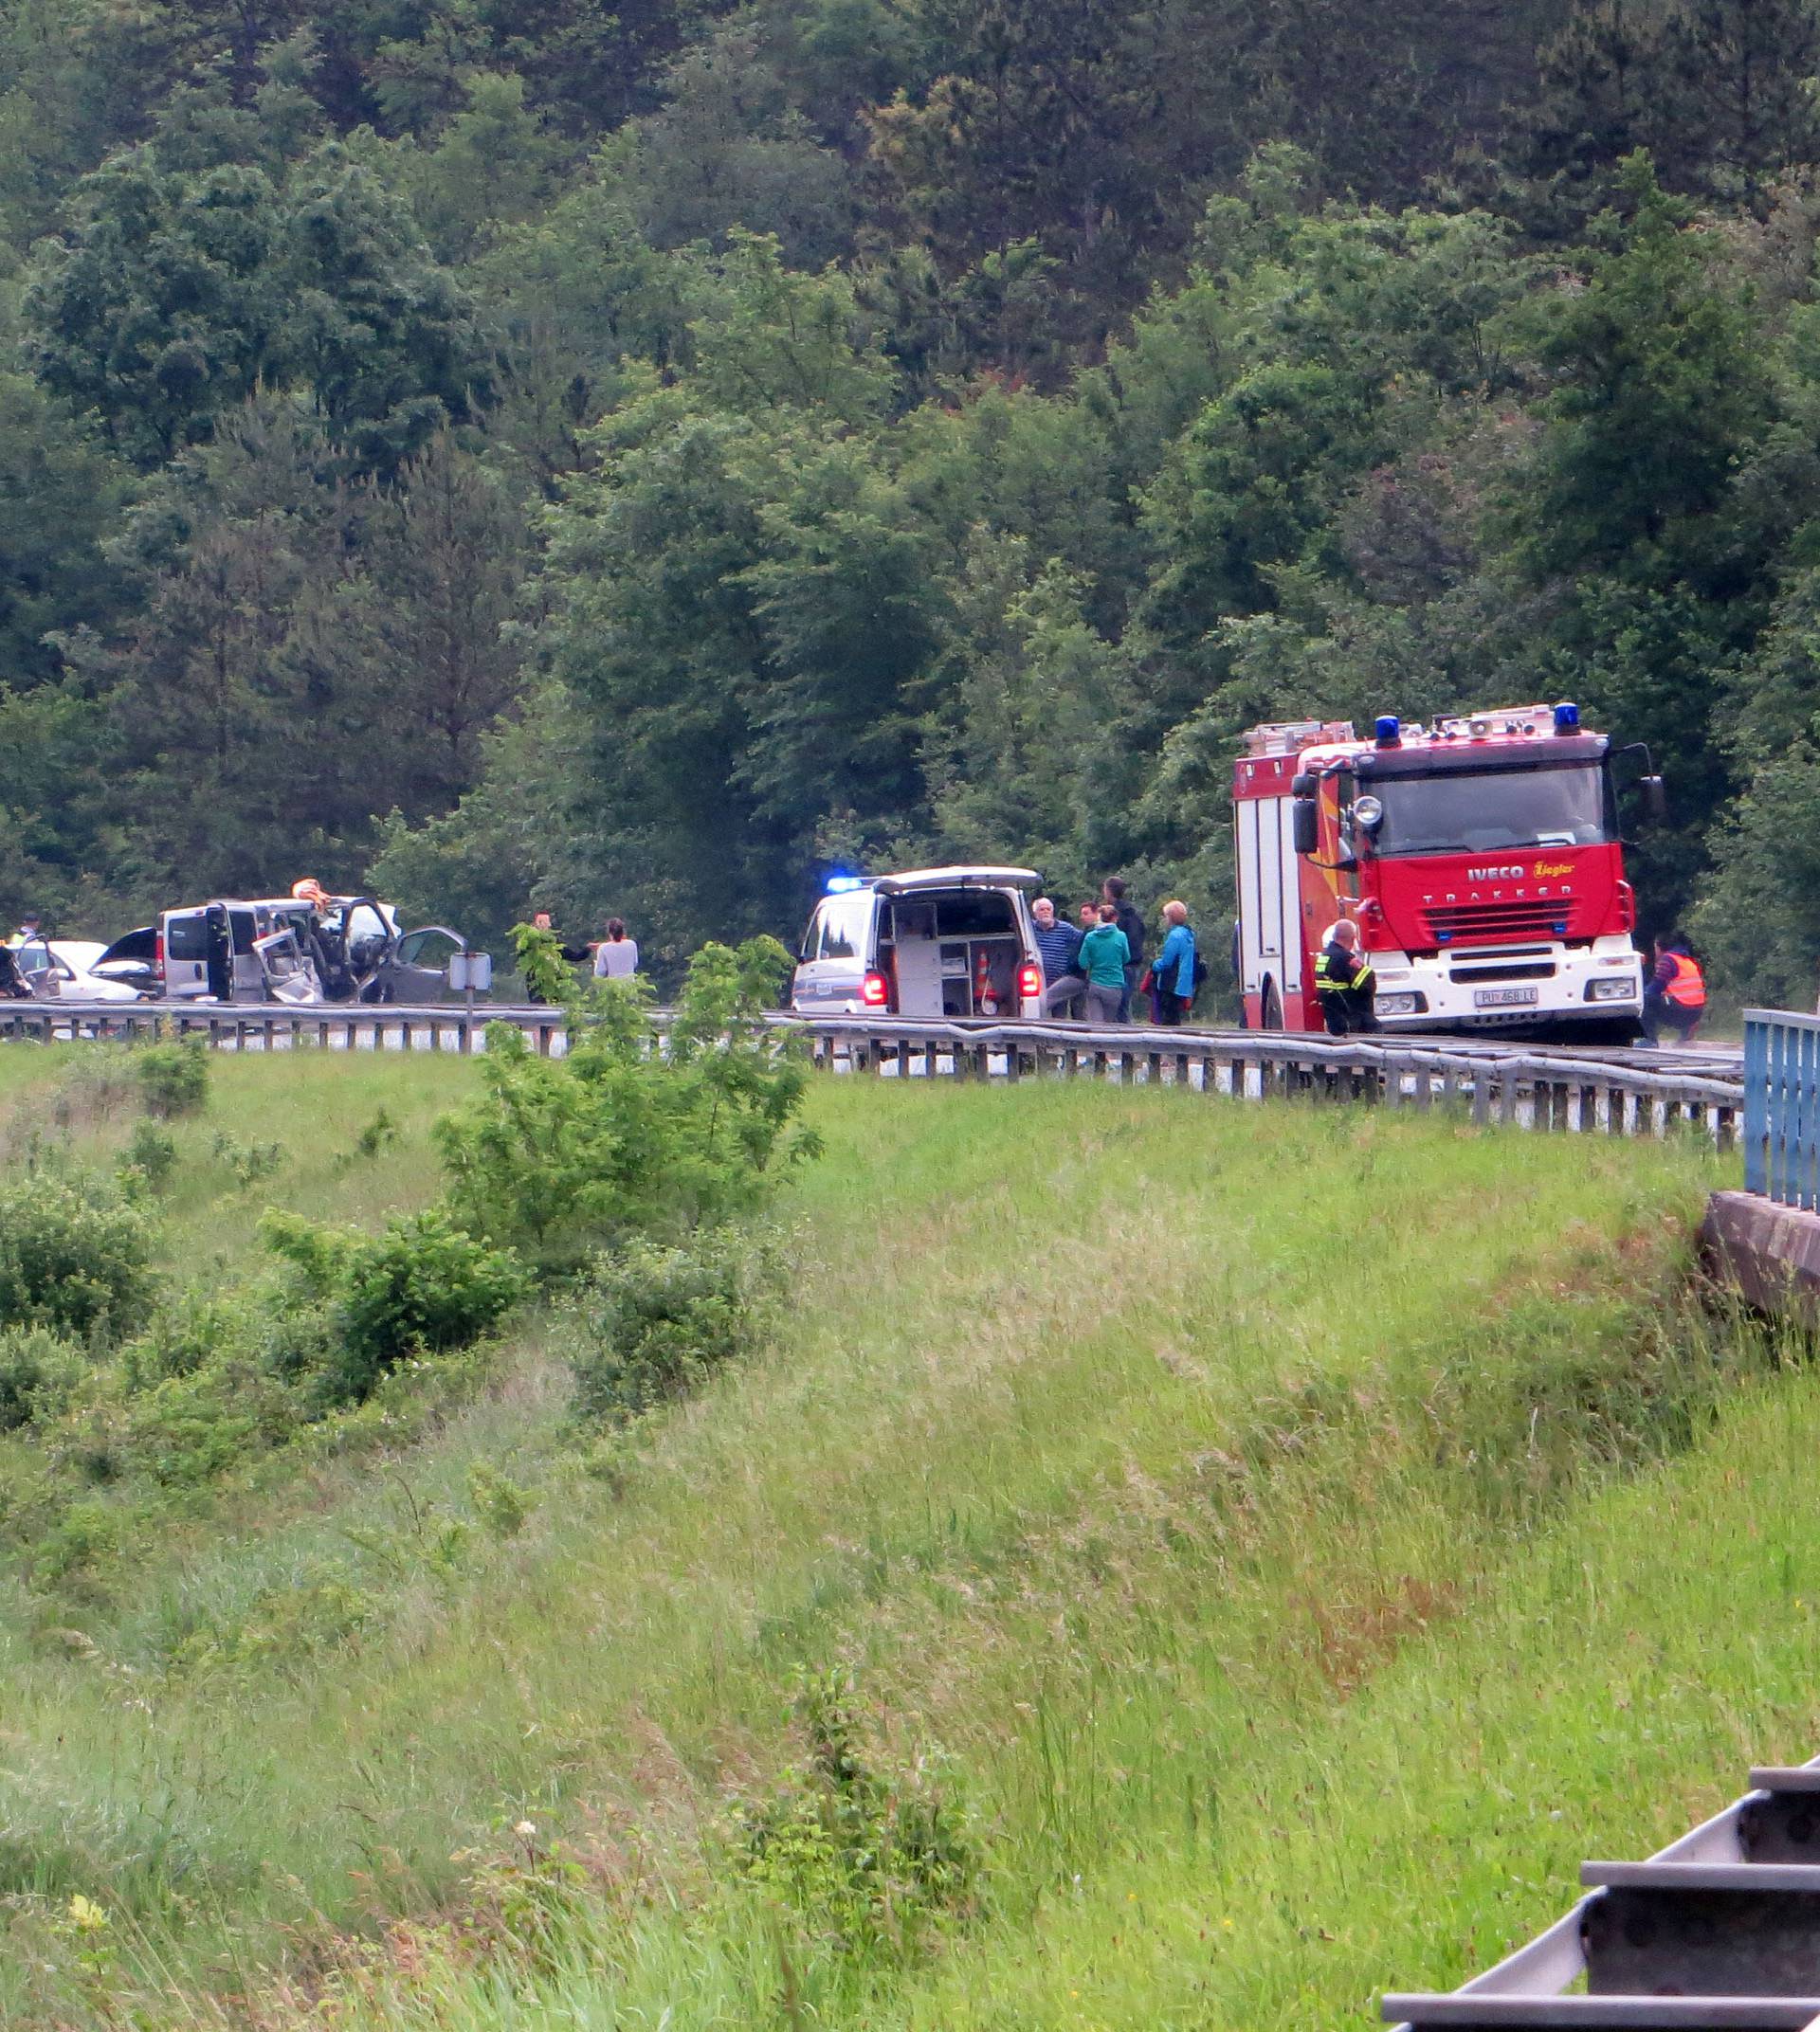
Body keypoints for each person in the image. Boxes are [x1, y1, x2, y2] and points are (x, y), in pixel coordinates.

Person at [1313, 918, 1378, 1036]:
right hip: (1352, 1022)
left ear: (1334, 936)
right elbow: (1367, 981)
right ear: (1353, 938)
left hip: (1334, 1020)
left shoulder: (1324, 956)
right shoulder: (1345, 958)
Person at [1642, 934, 1704, 1044]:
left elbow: (1655, 988)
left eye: (1655, 948)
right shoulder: (1686, 960)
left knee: (1644, 999)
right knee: (1664, 997)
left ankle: (1650, 1040)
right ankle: (1686, 1032)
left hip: (1681, 1011)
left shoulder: (1668, 960)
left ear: (1659, 948)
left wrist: (1641, 968)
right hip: (1696, 1012)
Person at [1077, 901, 1131, 1025]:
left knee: (1095, 1023)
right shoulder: (1121, 936)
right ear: (1115, 918)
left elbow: (1082, 963)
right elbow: (1126, 958)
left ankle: (1094, 1043)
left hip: (1095, 983)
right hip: (1115, 984)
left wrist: (1093, 963)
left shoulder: (1090, 937)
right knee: (1108, 1023)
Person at [1030, 897, 1084, 1016]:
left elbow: (1084, 941)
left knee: (1059, 1017)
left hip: (1059, 981)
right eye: (1042, 909)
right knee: (1037, 1013)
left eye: (1048, 909)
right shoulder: (1029, 928)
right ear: (1035, 913)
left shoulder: (1065, 929)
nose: (1045, 912)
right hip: (1037, 981)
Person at [1103, 877, 1146, 1022]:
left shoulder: (1115, 916)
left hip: (1119, 965)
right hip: (1134, 964)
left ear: (1108, 891)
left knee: (1117, 1007)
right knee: (1124, 1005)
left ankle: (1125, 1040)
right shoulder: (1134, 914)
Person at [1148, 900, 1197, 1025]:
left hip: (1171, 983)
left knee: (1168, 1018)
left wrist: (1154, 964)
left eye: (1165, 916)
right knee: (1175, 1016)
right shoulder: (1188, 934)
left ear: (1170, 917)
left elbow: (1167, 962)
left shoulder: (1175, 936)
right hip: (1184, 982)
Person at [593, 916, 640, 981]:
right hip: (630, 987)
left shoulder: (603, 948)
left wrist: (596, 963)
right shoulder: (632, 944)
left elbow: (600, 973)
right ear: (622, 931)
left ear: (609, 932)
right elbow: (635, 963)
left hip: (613, 988)